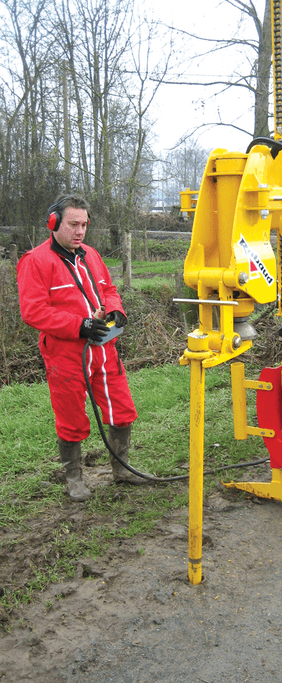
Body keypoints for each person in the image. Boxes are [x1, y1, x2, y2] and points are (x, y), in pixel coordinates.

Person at [17, 193, 146, 501]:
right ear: (53, 223)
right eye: (73, 224)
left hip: (104, 350)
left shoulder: (91, 255)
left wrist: (115, 310)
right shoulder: (36, 261)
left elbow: (109, 289)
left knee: (122, 409)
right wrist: (79, 325)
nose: (80, 231)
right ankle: (74, 478)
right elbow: (33, 311)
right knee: (71, 418)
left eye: (84, 225)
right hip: (65, 355)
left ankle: (122, 469)